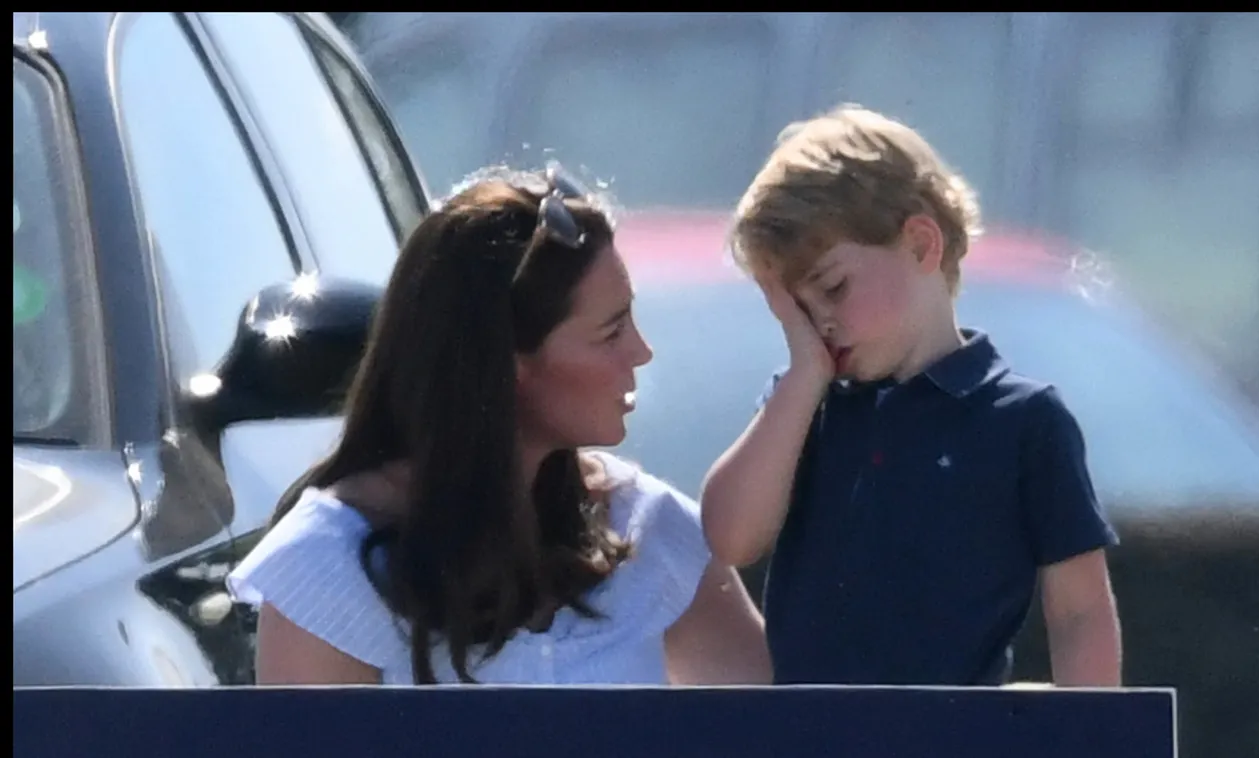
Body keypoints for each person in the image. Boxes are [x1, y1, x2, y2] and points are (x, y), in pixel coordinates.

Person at [227, 165, 771, 686]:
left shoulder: (644, 527)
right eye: (610, 333)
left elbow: (785, 726)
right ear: (505, 364)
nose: (642, 352)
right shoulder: (323, 570)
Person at [700, 105, 1122, 688]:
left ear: (922, 243)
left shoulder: (1024, 421)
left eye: (832, 287)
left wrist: (1087, 736)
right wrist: (801, 377)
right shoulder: (804, 409)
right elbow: (730, 537)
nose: (819, 322)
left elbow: (1079, 611)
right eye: (797, 308)